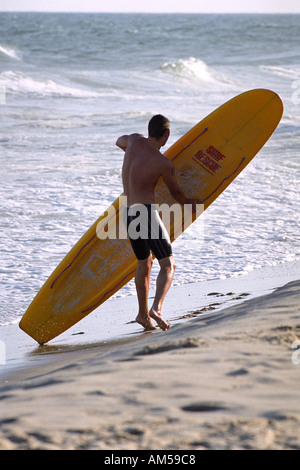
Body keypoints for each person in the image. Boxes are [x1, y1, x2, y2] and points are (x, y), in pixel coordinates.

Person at [116, 114, 199, 331]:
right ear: (166, 134)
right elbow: (177, 196)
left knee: (144, 263)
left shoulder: (133, 140)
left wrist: (134, 151)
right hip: (146, 213)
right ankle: (157, 309)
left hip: (129, 213)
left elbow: (119, 141)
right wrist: (194, 202)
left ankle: (143, 315)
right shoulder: (163, 163)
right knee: (168, 264)